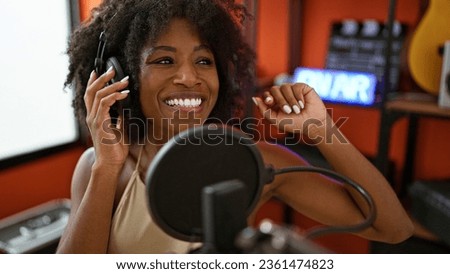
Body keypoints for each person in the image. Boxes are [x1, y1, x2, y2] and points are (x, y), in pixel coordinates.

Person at [57, 0, 413, 254]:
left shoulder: (252, 159)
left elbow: (393, 229)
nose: (188, 76)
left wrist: (323, 130)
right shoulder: (98, 166)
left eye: (203, 61)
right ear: (120, 78)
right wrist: (107, 166)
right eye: (164, 60)